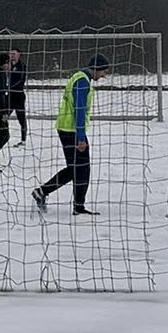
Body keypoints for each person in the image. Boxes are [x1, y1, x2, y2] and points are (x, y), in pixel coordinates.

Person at [31, 53, 111, 216]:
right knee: (82, 169)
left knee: (74, 168)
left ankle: (42, 192)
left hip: (66, 128)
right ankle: (78, 207)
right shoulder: (82, 82)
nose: (104, 75)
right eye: (103, 71)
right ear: (96, 69)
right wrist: (81, 137)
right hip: (72, 130)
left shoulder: (79, 77)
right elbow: (79, 110)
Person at [7, 48, 29, 141]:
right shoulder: (8, 66)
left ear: (19, 55)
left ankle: (23, 139)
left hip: (19, 95)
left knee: (21, 118)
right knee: (4, 114)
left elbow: (20, 80)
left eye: (14, 53)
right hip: (10, 95)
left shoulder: (22, 66)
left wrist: (9, 87)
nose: (12, 55)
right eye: (11, 53)